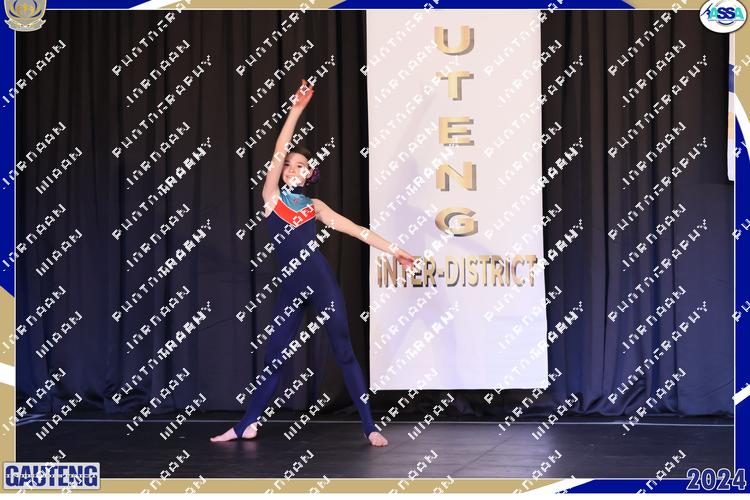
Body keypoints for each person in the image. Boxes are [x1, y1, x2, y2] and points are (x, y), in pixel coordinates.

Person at [211, 79, 417, 447]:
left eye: (301, 165)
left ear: (310, 174)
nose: (293, 168)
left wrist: (395, 249)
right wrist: (296, 110)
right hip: (291, 287)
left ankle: (370, 426)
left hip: (321, 282)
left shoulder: (315, 207)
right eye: (289, 164)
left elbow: (357, 230)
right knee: (274, 358)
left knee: (344, 351)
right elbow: (279, 150)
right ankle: (247, 425)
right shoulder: (272, 199)